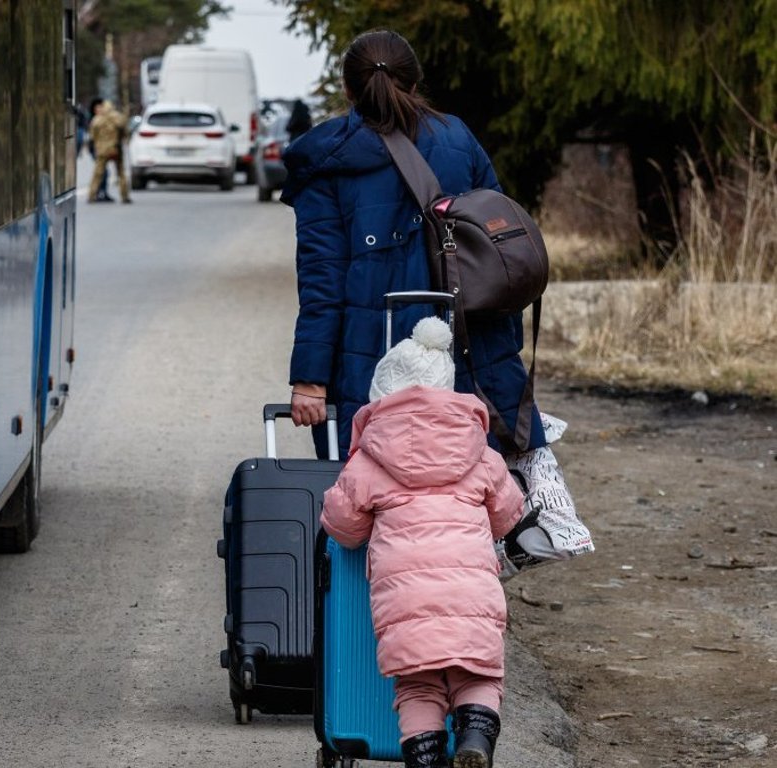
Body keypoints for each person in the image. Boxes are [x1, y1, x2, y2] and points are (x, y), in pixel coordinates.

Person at [281, 28, 547, 461]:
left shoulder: (326, 163)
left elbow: (322, 280)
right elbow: (501, 252)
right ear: (415, 82)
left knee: (376, 486)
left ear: (348, 89)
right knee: (470, 484)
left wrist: (309, 379)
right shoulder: (458, 138)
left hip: (367, 360)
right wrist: (503, 348)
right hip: (466, 345)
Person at [321, 317, 524, 768]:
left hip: (406, 601)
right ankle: (474, 739)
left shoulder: (369, 460)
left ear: (382, 398)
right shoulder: (481, 454)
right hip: (471, 593)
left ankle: (425, 759)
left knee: (419, 687)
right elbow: (509, 514)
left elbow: (343, 527)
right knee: (479, 673)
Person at [88, 98, 131, 204]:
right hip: (116, 148)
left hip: (102, 149)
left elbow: (92, 135)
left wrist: (97, 144)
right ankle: (124, 195)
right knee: (121, 173)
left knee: (97, 174)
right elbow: (125, 132)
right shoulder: (118, 117)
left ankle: (92, 195)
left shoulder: (98, 119)